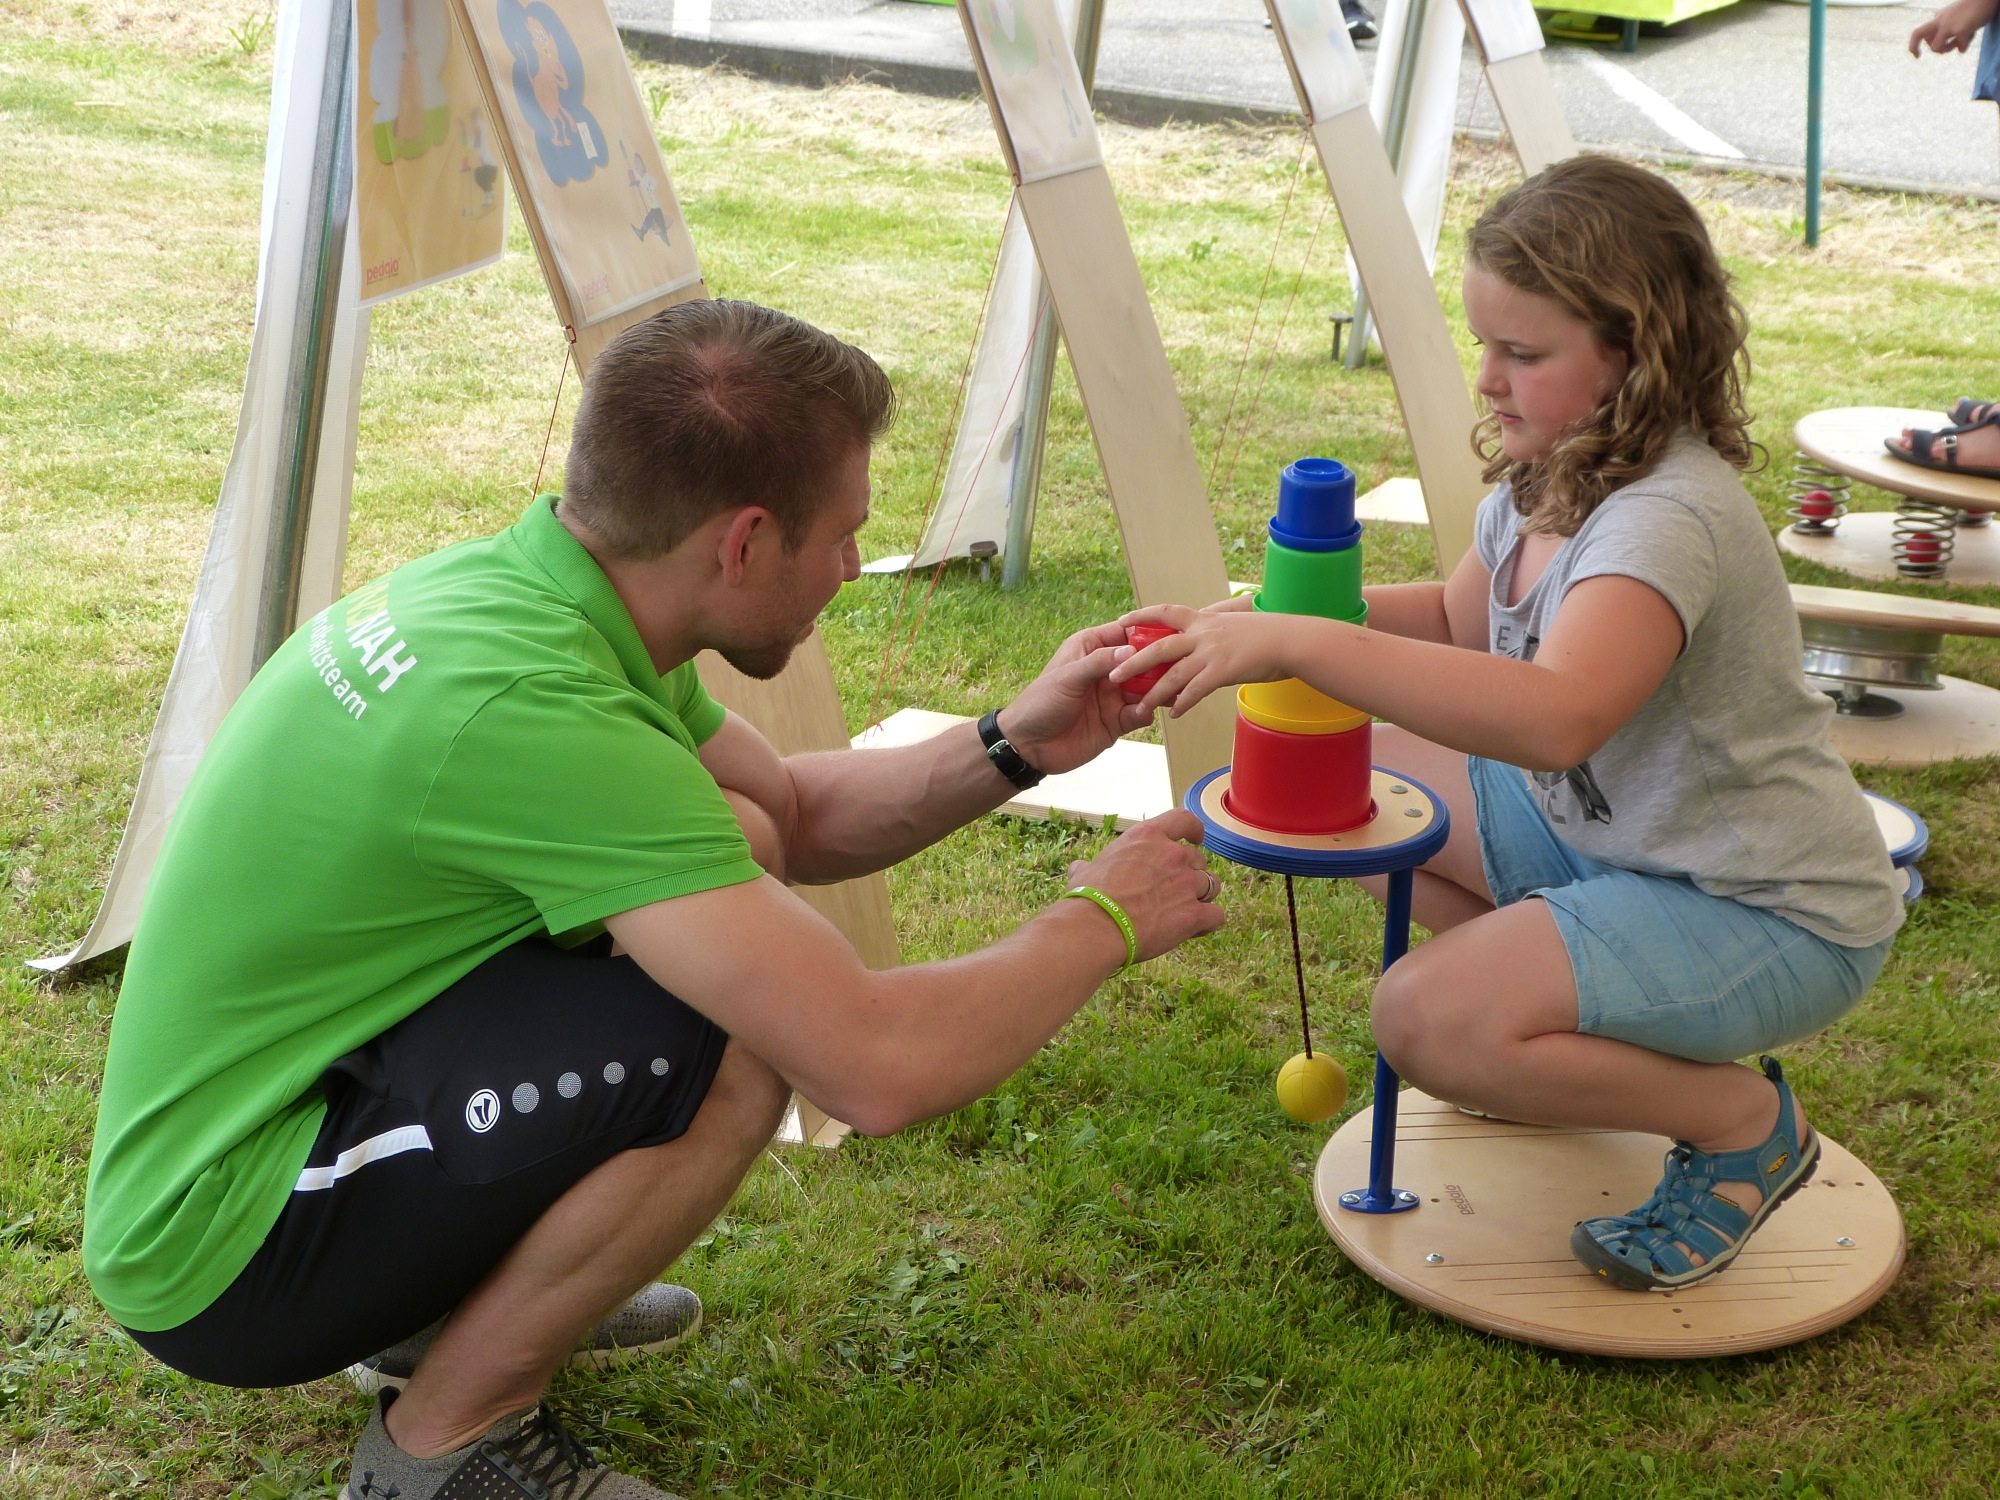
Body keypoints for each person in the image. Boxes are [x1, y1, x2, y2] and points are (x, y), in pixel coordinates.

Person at [82, 300, 1226, 1500]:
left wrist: (1015, 743)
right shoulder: (534, 713)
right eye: (840, 538)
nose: (849, 569)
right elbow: (873, 1065)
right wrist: (1101, 918)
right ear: (740, 544)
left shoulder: (533, 596)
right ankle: (443, 1445)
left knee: (728, 848)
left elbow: (787, 810)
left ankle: (453, 1308)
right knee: (731, 1037)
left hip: (287, 1124)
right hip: (223, 1255)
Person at [1111, 156, 1903, 1294]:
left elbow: (1556, 718)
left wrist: (1294, 646)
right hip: (1616, 849)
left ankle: (1738, 1122)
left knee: (1420, 1023)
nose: (1486, 378)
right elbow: (1449, 619)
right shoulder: (1546, 479)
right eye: (1482, 343)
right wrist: (1241, 619)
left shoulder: (1663, 520)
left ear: (1636, 351)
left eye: (1522, 354)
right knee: (1350, 777)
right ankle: (1544, 1019)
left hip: (1767, 912)